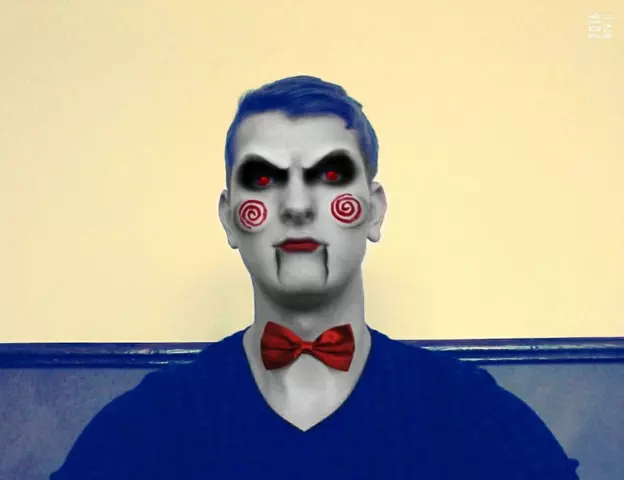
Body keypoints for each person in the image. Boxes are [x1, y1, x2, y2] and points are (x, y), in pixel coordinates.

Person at [51, 76, 580, 479]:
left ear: (374, 211)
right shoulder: (147, 426)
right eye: (263, 178)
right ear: (229, 218)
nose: (298, 205)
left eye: (330, 175)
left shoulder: (472, 415)